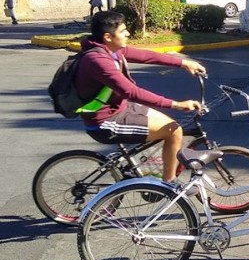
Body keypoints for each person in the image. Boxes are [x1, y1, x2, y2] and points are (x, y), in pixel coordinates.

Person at [74, 11, 206, 182]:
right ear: (108, 36)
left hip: (121, 108)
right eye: (123, 31)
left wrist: (183, 62)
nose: (128, 33)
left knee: (171, 126)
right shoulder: (98, 60)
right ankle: (169, 185)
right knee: (174, 131)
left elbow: (147, 56)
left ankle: (159, 174)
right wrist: (177, 104)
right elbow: (131, 92)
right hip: (105, 122)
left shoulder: (112, 50)